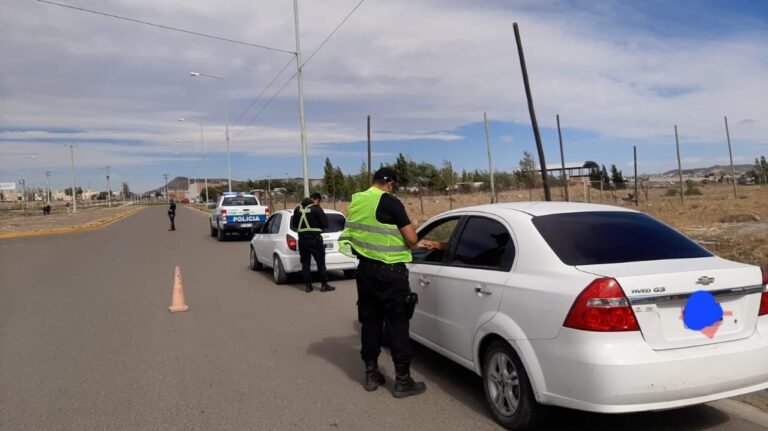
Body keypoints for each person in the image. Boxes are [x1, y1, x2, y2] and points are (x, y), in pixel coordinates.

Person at [338, 167, 427, 398]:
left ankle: (371, 374)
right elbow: (411, 239)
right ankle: (403, 381)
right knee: (397, 324)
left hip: (365, 272)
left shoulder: (357, 201)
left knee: (370, 323)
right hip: (391, 273)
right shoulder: (390, 202)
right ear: (390, 184)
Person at [290, 192, 336, 293]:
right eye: (319, 202)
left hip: (302, 240)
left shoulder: (297, 209)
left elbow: (294, 224)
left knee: (305, 263)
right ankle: (324, 285)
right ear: (317, 200)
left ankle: (308, 286)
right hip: (315, 239)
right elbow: (325, 224)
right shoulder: (316, 209)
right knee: (320, 262)